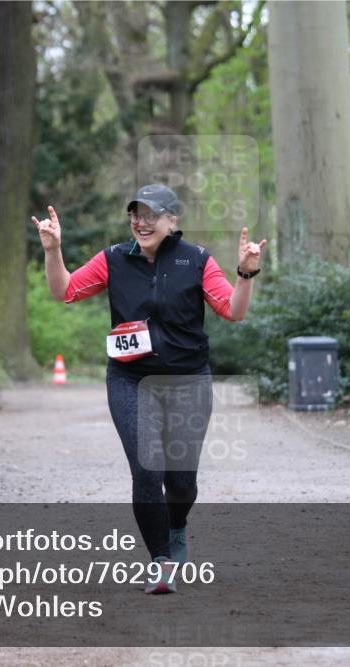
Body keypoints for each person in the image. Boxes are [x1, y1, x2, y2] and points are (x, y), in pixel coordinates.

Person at [31, 184, 266, 594]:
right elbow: (64, 290)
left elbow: (233, 310)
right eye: (135, 214)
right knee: (146, 469)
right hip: (131, 380)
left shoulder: (197, 260)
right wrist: (53, 251)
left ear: (172, 220)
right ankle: (160, 560)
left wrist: (245, 274)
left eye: (151, 215)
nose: (141, 222)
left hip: (187, 381)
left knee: (181, 481)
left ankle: (176, 526)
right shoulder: (113, 259)